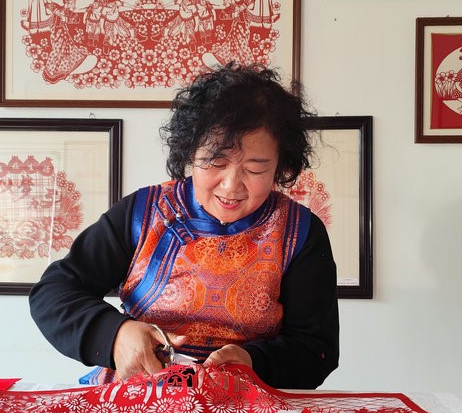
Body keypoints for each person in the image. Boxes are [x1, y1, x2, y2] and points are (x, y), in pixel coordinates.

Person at [29, 63, 340, 390]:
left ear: (281, 165)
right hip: (135, 397)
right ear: (191, 151)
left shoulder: (300, 232)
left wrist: (254, 362)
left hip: (245, 402)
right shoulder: (143, 212)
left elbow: (315, 350)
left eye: (255, 169)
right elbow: (53, 293)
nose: (231, 185)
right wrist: (115, 334)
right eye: (215, 162)